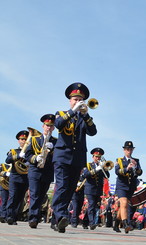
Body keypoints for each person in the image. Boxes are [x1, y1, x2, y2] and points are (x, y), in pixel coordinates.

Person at [51, 82, 97, 233]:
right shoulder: (61, 113)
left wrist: (85, 114)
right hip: (62, 156)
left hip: (77, 158)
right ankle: (61, 216)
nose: (78, 102)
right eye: (75, 100)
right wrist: (73, 111)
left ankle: (57, 218)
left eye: (80, 100)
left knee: (70, 189)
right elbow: (58, 124)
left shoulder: (84, 118)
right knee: (62, 186)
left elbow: (93, 131)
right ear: (70, 101)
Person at [25, 114, 57, 228]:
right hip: (35, 170)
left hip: (47, 171)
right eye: (47, 125)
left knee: (41, 195)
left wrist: (53, 149)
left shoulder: (56, 141)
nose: (49, 128)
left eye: (51, 126)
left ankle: (36, 216)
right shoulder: (34, 139)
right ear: (43, 126)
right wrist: (35, 158)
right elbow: (27, 155)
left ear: (53, 128)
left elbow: (58, 158)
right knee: (34, 194)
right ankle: (33, 218)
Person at [114, 141, 142, 233]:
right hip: (122, 185)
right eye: (127, 149)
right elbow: (117, 171)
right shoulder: (119, 160)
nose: (129, 151)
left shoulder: (136, 160)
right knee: (124, 203)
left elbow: (140, 172)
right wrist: (127, 168)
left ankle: (116, 223)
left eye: (130, 149)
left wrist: (136, 167)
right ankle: (126, 224)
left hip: (131, 185)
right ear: (124, 150)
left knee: (123, 205)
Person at [5, 130, 30, 225]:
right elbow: (7, 160)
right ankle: (9, 216)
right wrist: (18, 156)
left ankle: (14, 217)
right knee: (12, 196)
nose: (23, 141)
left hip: (25, 178)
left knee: (20, 199)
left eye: (25, 139)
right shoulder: (13, 151)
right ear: (18, 141)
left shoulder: (30, 151)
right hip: (15, 177)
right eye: (21, 139)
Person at [82, 147, 110, 230]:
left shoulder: (102, 166)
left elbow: (107, 176)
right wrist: (96, 169)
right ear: (93, 157)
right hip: (90, 188)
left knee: (95, 206)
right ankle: (92, 223)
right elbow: (85, 175)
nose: (97, 158)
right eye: (96, 157)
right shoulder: (88, 165)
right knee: (91, 205)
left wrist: (104, 168)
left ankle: (85, 221)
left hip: (98, 189)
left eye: (99, 157)